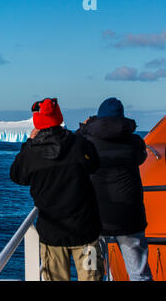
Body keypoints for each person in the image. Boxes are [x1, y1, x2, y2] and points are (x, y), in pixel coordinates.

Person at [10, 98, 104, 281]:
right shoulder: (80, 144)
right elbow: (94, 165)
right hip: (85, 230)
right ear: (58, 117)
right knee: (92, 277)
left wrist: (28, 143)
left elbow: (17, 176)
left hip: (53, 233)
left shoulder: (31, 153)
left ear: (37, 121)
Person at [76, 97, 153, 281]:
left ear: (98, 118)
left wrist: (85, 127)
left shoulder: (86, 141)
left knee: (91, 273)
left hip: (94, 220)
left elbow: (73, 146)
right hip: (128, 219)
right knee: (139, 274)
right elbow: (141, 158)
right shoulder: (134, 142)